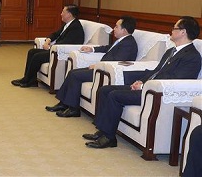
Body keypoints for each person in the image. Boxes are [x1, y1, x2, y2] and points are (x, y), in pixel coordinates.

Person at [83, 16, 201, 149]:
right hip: (147, 87)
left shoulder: (192, 57)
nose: (171, 31)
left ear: (183, 32)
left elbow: (175, 80)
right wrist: (141, 81)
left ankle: (109, 138)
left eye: (174, 28)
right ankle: (102, 130)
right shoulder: (171, 51)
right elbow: (156, 71)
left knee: (114, 95)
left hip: (157, 93)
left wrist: (144, 86)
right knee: (105, 90)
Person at [45, 16, 138, 117]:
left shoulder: (129, 43)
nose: (114, 29)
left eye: (116, 27)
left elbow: (117, 60)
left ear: (124, 30)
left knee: (75, 76)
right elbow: (108, 48)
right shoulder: (122, 40)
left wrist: (98, 66)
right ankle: (63, 103)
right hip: (102, 68)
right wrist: (92, 49)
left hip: (106, 72)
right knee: (72, 73)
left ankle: (73, 109)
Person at [11, 4, 85, 88]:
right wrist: (48, 40)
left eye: (63, 12)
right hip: (55, 49)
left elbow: (66, 43)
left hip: (61, 53)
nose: (61, 14)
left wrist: (50, 48)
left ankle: (28, 80)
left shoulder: (75, 27)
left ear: (69, 14)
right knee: (31, 52)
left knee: (37, 56)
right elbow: (55, 34)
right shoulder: (68, 24)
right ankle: (29, 79)